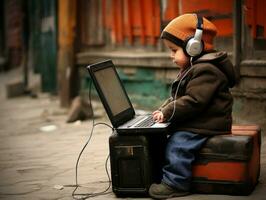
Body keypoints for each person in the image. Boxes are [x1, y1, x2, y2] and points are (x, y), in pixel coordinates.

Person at [149, 13, 236, 199]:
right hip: (200, 120)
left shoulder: (206, 70)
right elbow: (177, 96)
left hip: (208, 123)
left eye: (174, 50)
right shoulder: (192, 67)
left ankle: (176, 183)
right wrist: (163, 110)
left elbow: (193, 101)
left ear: (194, 47)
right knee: (163, 136)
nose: (171, 56)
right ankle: (161, 172)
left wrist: (169, 111)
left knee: (178, 144)